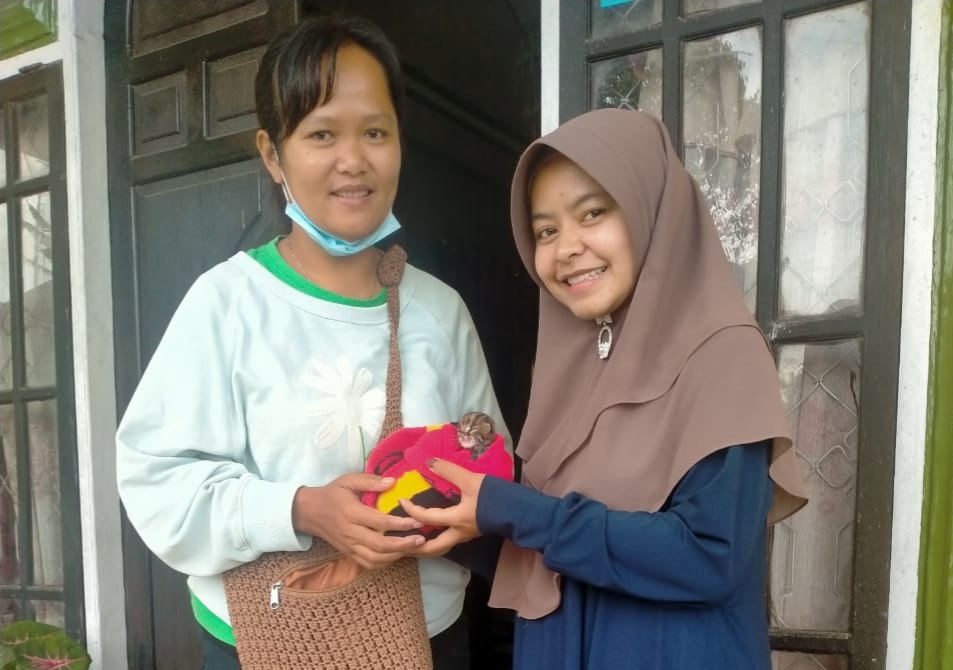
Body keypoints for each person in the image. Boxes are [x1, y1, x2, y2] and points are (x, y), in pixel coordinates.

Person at [115, 15, 508, 670]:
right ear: (273, 154)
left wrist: (463, 511)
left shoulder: (439, 311)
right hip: (267, 643)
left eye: (375, 132)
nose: (353, 160)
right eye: (322, 133)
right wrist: (300, 509)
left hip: (427, 642)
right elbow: (157, 479)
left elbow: (490, 455)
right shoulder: (227, 303)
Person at [401, 108, 808, 669]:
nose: (566, 247)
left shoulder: (723, 355)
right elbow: (558, 554)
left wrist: (513, 510)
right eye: (546, 230)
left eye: (592, 213)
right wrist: (452, 518)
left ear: (650, 210)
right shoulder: (573, 366)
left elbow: (709, 556)